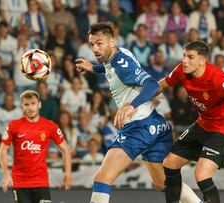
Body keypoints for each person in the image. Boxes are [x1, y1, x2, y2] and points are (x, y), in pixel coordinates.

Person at [75, 22, 201, 203]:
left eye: (99, 43)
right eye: (92, 44)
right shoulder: (119, 54)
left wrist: (130, 106)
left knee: (102, 179)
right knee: (163, 182)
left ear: (112, 42)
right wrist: (93, 68)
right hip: (155, 123)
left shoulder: (120, 63)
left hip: (138, 126)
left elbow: (151, 84)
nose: (95, 48)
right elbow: (113, 69)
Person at [158, 41, 224, 203]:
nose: (185, 61)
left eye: (190, 57)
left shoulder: (217, 78)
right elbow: (160, 85)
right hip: (203, 124)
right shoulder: (181, 71)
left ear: (202, 61)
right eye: (184, 56)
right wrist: (135, 102)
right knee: (169, 163)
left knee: (201, 175)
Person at [0, 90, 72, 203]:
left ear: (39, 104)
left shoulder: (50, 126)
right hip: (20, 182)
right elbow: (3, 149)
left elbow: (65, 150)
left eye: (33, 103)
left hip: (41, 181)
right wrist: (5, 173)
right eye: (26, 104)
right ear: (22, 106)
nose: (30, 108)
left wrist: (67, 173)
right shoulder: (14, 125)